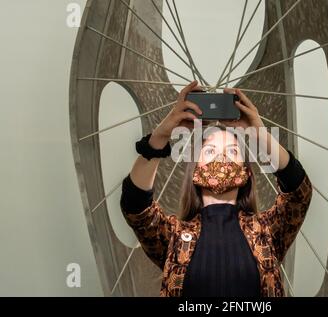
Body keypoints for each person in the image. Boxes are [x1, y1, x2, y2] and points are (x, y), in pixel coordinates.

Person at [120, 80, 313, 297]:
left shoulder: (269, 231)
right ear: (194, 170)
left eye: (231, 152)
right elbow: (135, 207)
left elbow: (299, 192)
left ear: (246, 171)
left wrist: (260, 134)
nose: (221, 157)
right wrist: (162, 135)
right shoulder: (173, 236)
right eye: (210, 152)